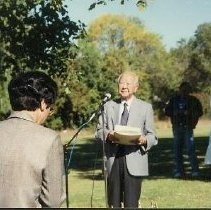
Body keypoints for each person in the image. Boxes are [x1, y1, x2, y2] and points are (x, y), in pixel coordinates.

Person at [0, 71, 66, 207]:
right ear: (43, 103)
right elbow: (53, 202)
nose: (49, 113)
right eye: (50, 108)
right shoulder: (49, 139)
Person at [96, 71, 158, 208]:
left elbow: (153, 136)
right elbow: (98, 131)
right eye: (121, 83)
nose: (124, 86)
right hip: (113, 159)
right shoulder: (107, 106)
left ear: (136, 87)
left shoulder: (145, 107)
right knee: (113, 204)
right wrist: (108, 134)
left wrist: (144, 140)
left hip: (135, 160)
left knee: (131, 204)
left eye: (128, 83)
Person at [165, 81, 203, 178]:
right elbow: (167, 111)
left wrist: (189, 114)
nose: (185, 91)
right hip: (177, 127)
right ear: (180, 89)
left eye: (187, 89)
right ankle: (178, 171)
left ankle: (195, 171)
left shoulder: (194, 100)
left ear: (189, 90)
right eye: (183, 89)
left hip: (188, 127)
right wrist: (175, 112)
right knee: (177, 149)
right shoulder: (174, 100)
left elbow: (200, 112)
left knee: (191, 149)